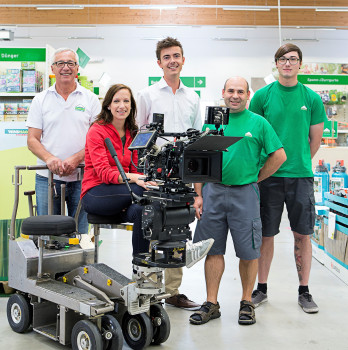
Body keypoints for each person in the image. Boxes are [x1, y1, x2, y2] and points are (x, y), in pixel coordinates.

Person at [189, 77, 286, 326]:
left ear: (248, 95)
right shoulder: (213, 122)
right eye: (230, 91)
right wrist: (198, 194)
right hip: (214, 192)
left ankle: (246, 302)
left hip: (245, 193)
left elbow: (279, 155)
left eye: (240, 91)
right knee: (212, 248)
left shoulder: (258, 123)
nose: (235, 95)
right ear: (223, 93)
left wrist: (257, 177)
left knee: (248, 251)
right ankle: (211, 303)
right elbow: (201, 158)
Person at [81, 84, 213, 267]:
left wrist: (148, 179)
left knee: (147, 210)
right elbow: (104, 173)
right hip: (96, 194)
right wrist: (136, 178)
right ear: (108, 106)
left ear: (132, 106)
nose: (122, 105)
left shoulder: (132, 132)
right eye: (116, 101)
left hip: (125, 195)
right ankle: (182, 249)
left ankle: (143, 266)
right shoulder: (97, 131)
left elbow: (137, 167)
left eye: (126, 101)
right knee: (148, 192)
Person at [249, 43, 327, 313]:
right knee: (266, 234)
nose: (288, 63)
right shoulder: (261, 96)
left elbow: (313, 142)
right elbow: (255, 136)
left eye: (293, 59)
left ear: (300, 64)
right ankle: (262, 288)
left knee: (302, 234)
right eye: (283, 59)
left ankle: (304, 291)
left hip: (300, 177)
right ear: (276, 63)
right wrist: (264, 169)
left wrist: (297, 162)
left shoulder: (312, 99)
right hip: (267, 177)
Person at [137, 37, 203, 311]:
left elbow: (198, 143)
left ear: (183, 60)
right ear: (159, 63)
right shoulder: (147, 95)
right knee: (155, 228)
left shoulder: (193, 97)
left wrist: (198, 193)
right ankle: (151, 291)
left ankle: (173, 291)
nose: (172, 60)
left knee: (178, 230)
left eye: (177, 55)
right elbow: (140, 136)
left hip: (184, 174)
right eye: (167, 57)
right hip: (156, 172)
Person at [27, 48, 101, 233]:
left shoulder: (91, 100)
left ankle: (80, 263)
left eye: (70, 63)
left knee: (81, 233)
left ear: (77, 69)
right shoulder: (40, 100)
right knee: (48, 234)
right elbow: (32, 139)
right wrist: (50, 159)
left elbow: (98, 140)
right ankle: (49, 263)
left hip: (82, 177)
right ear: (53, 68)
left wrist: (76, 159)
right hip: (47, 178)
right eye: (60, 63)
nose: (65, 68)